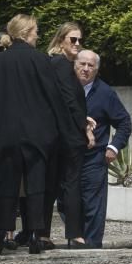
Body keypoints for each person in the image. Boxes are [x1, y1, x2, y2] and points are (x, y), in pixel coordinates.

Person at [0, 14, 78, 255]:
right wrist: (67, 133)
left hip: (5, 133)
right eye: (35, 31)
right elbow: (54, 98)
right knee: (37, 184)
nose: (38, 35)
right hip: (37, 133)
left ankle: (1, 234)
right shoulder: (40, 60)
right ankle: (36, 234)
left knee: (7, 185)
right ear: (25, 33)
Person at [75, 49, 131, 248]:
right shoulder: (65, 88)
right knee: (67, 202)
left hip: (94, 157)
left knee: (93, 204)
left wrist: (114, 147)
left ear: (97, 70)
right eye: (82, 64)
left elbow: (124, 122)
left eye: (91, 66)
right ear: (75, 65)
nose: (86, 69)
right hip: (68, 156)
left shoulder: (105, 93)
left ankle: (91, 246)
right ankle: (76, 240)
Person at [42, 22, 90, 249]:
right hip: (68, 135)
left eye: (80, 40)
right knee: (71, 184)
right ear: (61, 40)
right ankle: (74, 233)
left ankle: (43, 233)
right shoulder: (61, 65)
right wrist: (85, 127)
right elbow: (69, 99)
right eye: (73, 39)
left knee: (51, 184)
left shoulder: (54, 63)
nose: (78, 44)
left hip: (55, 133)